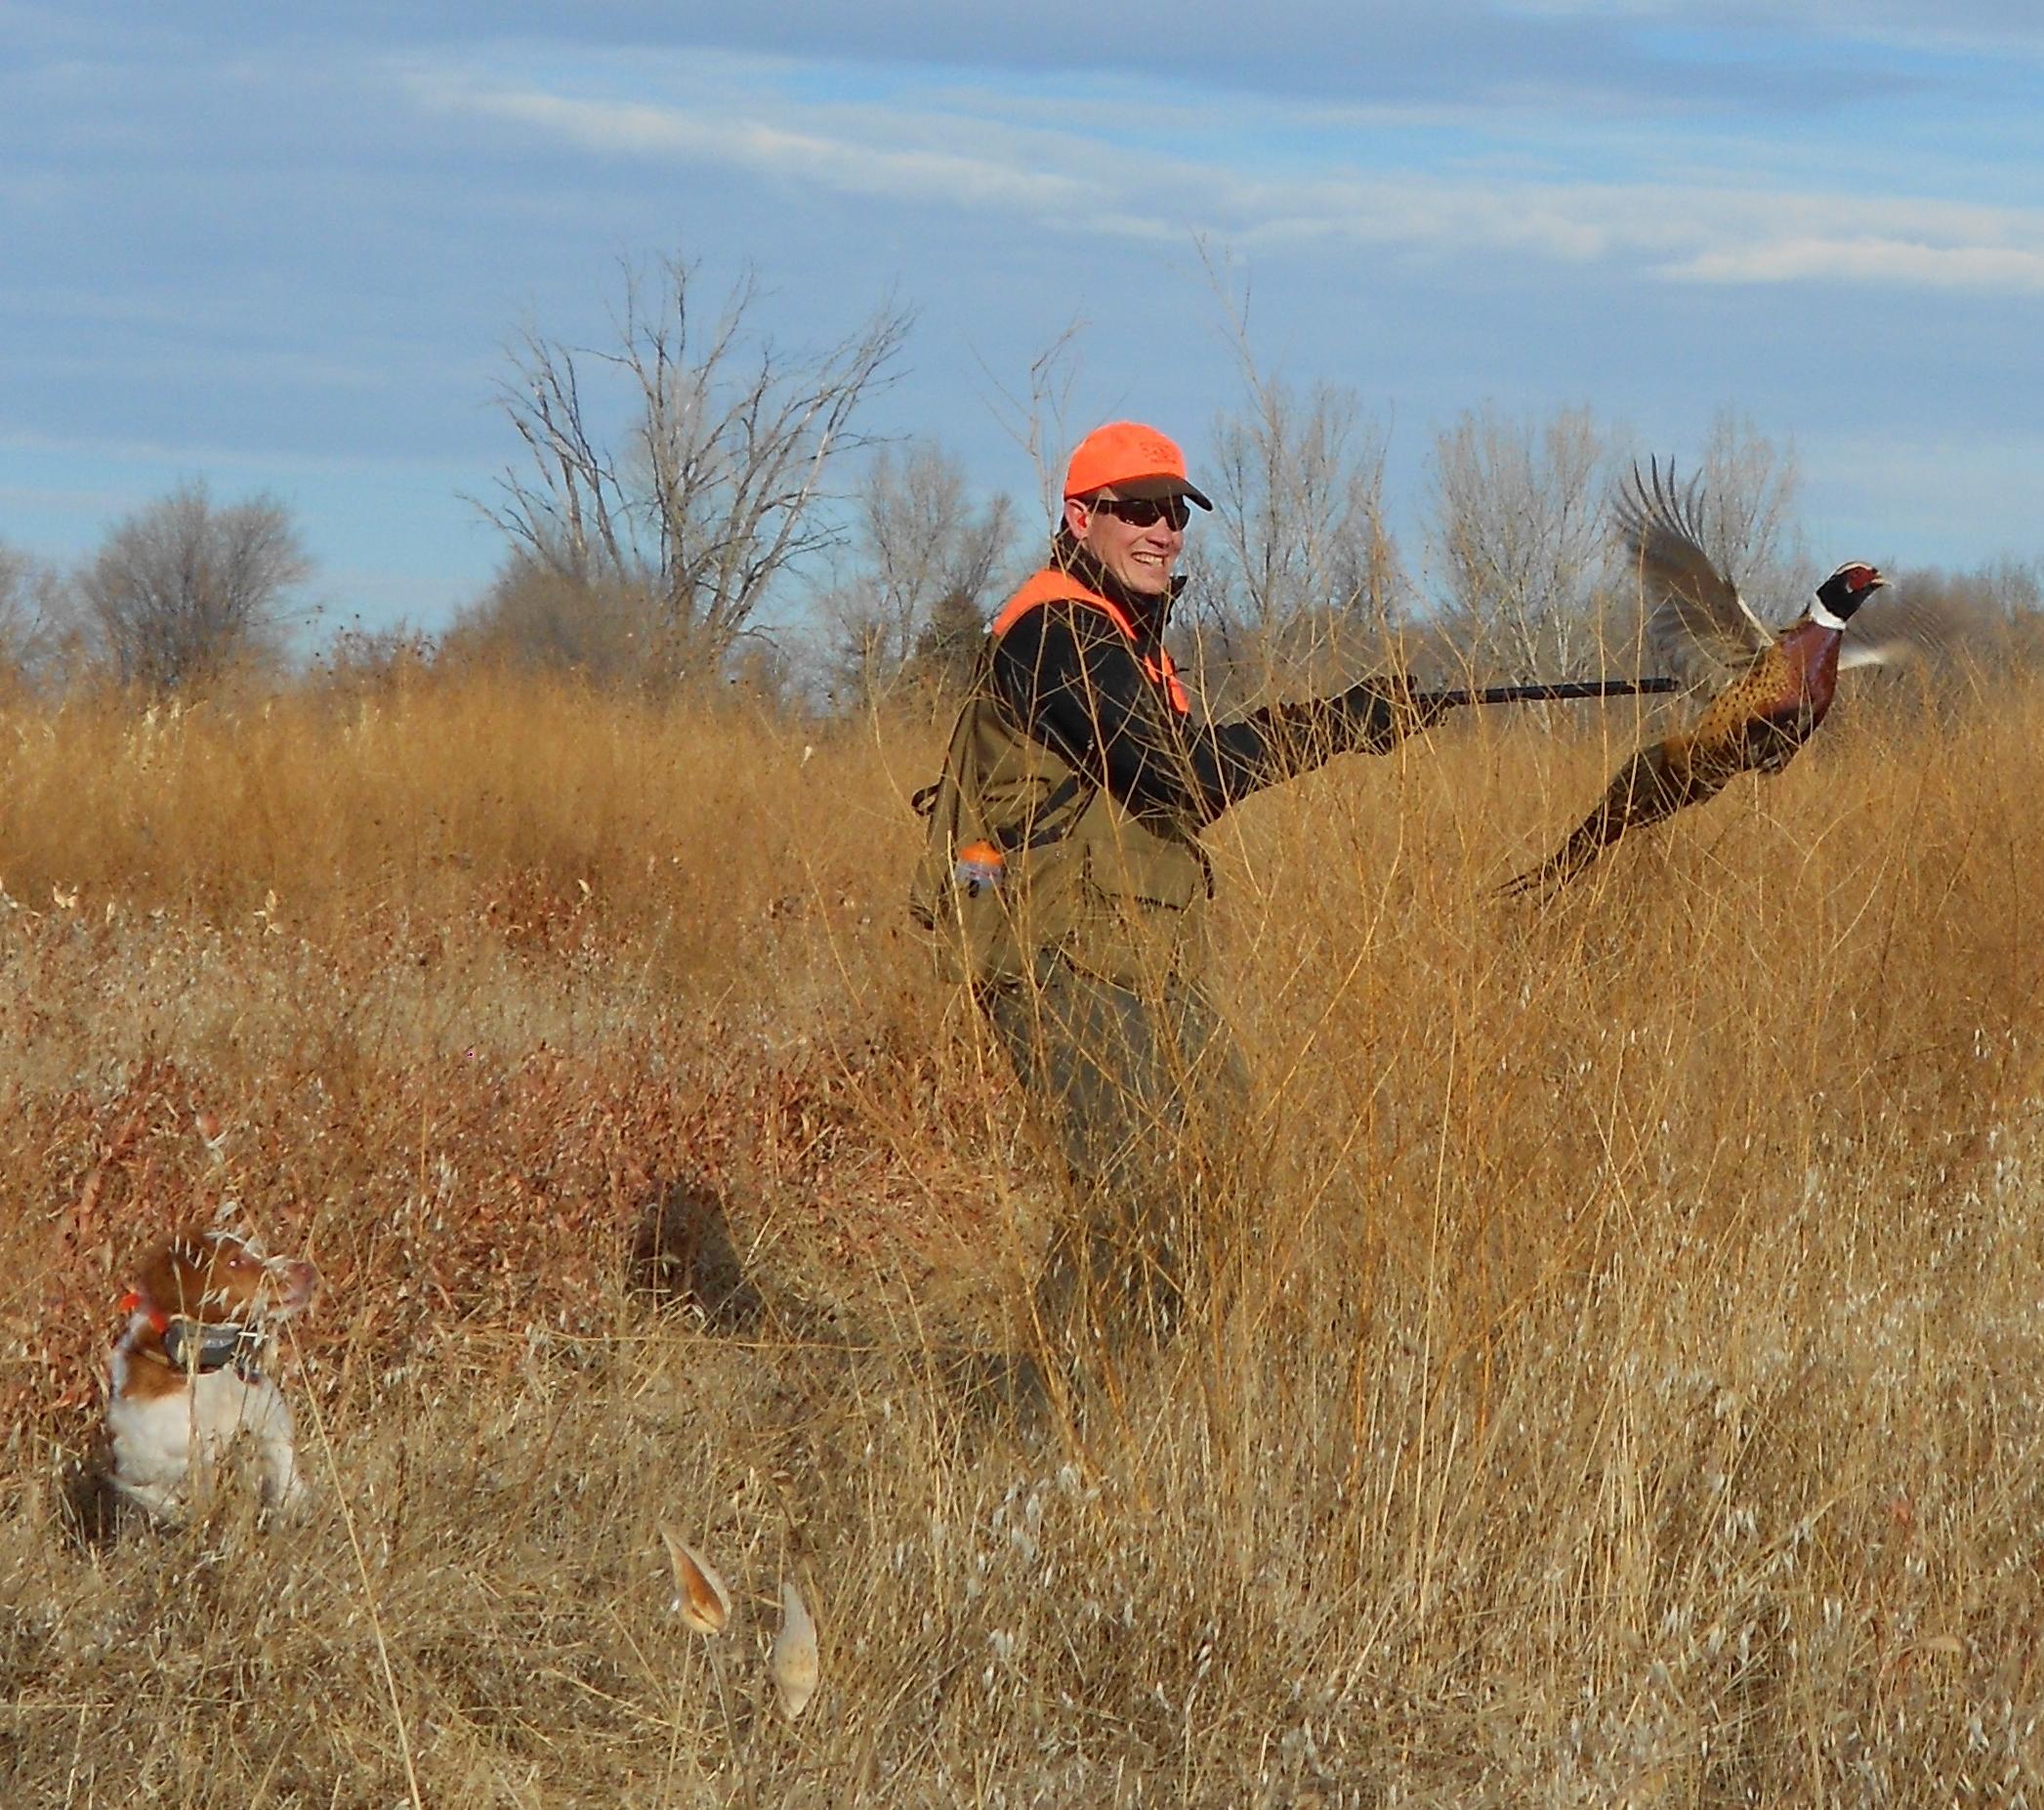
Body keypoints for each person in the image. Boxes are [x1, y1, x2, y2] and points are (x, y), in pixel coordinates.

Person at [910, 420, 1443, 1381]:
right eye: (1136, 511)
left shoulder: (1123, 639)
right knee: (1131, 1188)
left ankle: (1147, 1391)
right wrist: (1345, 722)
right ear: (1080, 517)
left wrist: (1359, 715)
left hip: (1138, 953)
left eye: (1173, 514)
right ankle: (1046, 1423)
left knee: (1222, 1165)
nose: (1161, 531)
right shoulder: (1054, 629)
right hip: (1057, 955)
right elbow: (1179, 777)